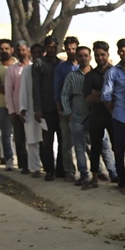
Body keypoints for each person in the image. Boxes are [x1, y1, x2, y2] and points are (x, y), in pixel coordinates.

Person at [103, 38, 125, 195]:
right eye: (122, 51)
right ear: (118, 52)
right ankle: (122, 182)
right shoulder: (113, 72)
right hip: (120, 117)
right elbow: (106, 95)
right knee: (119, 152)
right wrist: (113, 111)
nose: (124, 53)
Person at [84, 40, 119, 190]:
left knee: (117, 147)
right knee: (95, 147)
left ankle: (119, 176)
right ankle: (95, 178)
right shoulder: (90, 75)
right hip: (96, 116)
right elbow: (88, 97)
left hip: (113, 115)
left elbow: (119, 94)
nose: (100, 58)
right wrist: (106, 96)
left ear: (108, 54)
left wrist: (99, 94)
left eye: (102, 55)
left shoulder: (116, 72)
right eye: (97, 55)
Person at [61, 46, 93, 187]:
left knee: (101, 146)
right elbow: (64, 95)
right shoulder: (72, 76)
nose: (83, 58)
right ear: (77, 58)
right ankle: (84, 175)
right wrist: (68, 112)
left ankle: (107, 172)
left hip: (94, 117)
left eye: (86, 55)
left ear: (90, 57)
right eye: (80, 56)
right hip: (77, 116)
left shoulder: (96, 74)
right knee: (79, 148)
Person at [33, 35, 63, 181]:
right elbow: (36, 87)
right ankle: (49, 170)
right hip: (46, 108)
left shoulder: (61, 64)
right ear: (45, 47)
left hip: (61, 109)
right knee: (47, 142)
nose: (52, 49)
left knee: (63, 140)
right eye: (49, 46)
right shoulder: (39, 63)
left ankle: (61, 169)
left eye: (54, 46)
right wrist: (37, 109)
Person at [54, 36, 80, 182]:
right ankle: (69, 170)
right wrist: (60, 110)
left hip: (83, 111)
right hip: (66, 110)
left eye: (74, 49)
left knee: (88, 142)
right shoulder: (61, 68)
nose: (71, 51)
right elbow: (57, 91)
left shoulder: (83, 65)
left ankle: (98, 169)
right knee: (66, 143)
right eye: (69, 49)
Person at [0, 39, 17, 170]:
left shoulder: (19, 65)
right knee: (6, 134)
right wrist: (12, 96)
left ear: (12, 50)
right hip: (3, 105)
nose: (4, 51)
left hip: (20, 105)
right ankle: (9, 159)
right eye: (1, 49)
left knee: (21, 134)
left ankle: (25, 160)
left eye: (6, 48)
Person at [19, 43, 45, 178]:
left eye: (39, 53)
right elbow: (23, 89)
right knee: (32, 140)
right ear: (31, 54)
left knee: (50, 141)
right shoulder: (27, 70)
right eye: (34, 53)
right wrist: (22, 108)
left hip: (46, 110)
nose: (37, 55)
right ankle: (35, 168)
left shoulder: (48, 68)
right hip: (30, 109)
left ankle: (49, 167)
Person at [5, 41, 31, 173]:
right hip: (17, 109)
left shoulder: (34, 67)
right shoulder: (12, 69)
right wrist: (12, 110)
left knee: (34, 139)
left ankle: (35, 164)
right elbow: (8, 91)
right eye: (19, 50)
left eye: (24, 50)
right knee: (20, 139)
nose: (21, 53)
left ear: (28, 51)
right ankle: (24, 165)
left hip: (32, 110)